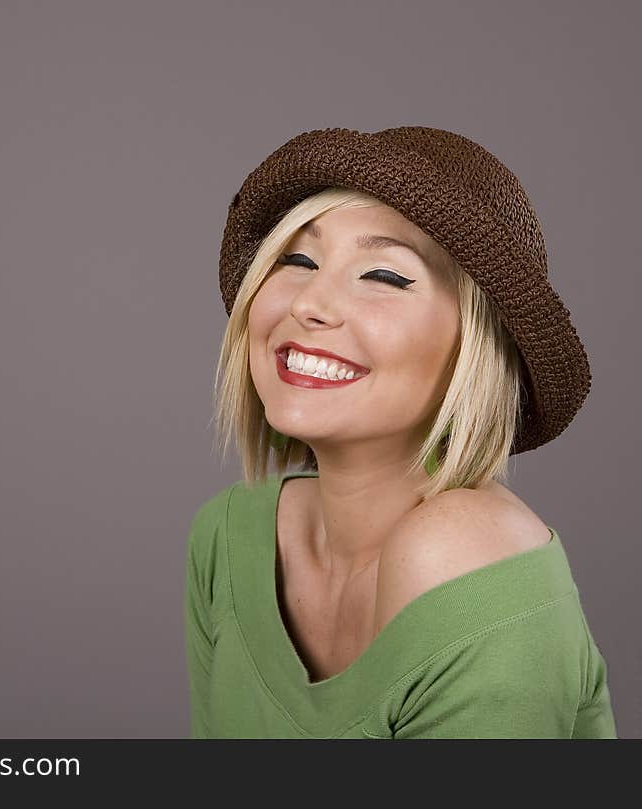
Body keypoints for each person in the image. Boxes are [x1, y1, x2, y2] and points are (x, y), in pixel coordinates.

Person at [184, 126, 619, 739]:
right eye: (298, 260)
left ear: (477, 344)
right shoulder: (229, 538)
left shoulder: (462, 552)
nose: (310, 303)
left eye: (383, 277)